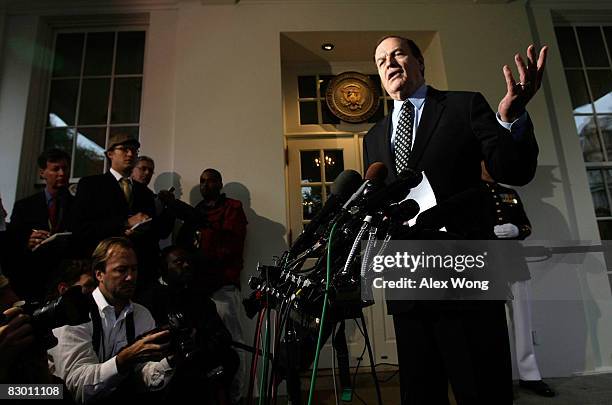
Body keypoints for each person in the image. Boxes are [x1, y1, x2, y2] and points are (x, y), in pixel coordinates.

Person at [363, 35, 547, 404]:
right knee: (420, 392)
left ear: (419, 61)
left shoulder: (463, 105)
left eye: (398, 53)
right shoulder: (374, 135)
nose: (389, 63)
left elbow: (512, 169)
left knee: (480, 389)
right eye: (381, 60)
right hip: (408, 282)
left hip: (466, 277)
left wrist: (511, 120)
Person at [48, 237, 174, 403]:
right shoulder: (74, 315)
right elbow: (77, 387)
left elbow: (144, 376)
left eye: (134, 269)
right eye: (121, 270)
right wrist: (124, 359)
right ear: (99, 274)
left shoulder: (142, 314)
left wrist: (171, 360)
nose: (130, 277)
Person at [160, 168, 248, 404]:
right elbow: (185, 246)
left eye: (210, 180)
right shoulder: (198, 210)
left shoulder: (233, 207)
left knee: (233, 343)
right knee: (204, 345)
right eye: (202, 181)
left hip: (223, 288)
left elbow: (228, 243)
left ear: (220, 183)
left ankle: (238, 396)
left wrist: (187, 214)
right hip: (198, 291)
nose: (205, 185)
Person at [481, 162, 555, 398]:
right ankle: (496, 380)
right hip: (484, 267)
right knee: (489, 328)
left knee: (523, 322)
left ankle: (530, 375)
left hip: (514, 265)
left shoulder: (510, 193)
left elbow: (526, 226)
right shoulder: (468, 193)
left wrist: (517, 230)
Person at [139, 245, 238, 404]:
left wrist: (200, 340)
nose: (186, 266)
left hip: (200, 362)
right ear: (163, 268)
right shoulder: (149, 301)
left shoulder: (199, 298)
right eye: (178, 262)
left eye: (188, 262)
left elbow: (222, 335)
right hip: (167, 366)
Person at [71, 134, 165, 292]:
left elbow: (154, 235)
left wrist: (143, 229)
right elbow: (80, 228)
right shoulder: (91, 185)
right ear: (110, 153)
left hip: (138, 274)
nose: (130, 154)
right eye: (124, 149)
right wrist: (125, 223)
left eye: (134, 151)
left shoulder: (145, 192)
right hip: (102, 270)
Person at [7, 148, 75, 301]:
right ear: (42, 173)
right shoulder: (24, 206)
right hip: (33, 277)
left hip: (66, 278)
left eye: (65, 168)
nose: (62, 174)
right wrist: (27, 241)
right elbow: (12, 242)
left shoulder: (78, 205)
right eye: (55, 169)